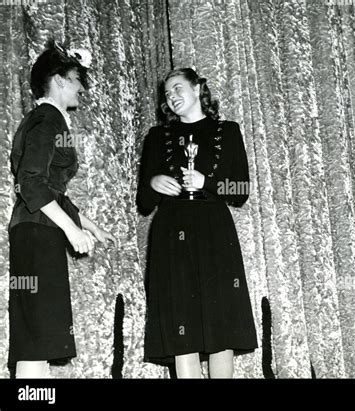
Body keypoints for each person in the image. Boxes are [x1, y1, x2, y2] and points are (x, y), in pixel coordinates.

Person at [137, 68, 258, 378]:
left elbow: (241, 192)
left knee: (221, 328)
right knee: (182, 330)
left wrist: (209, 182)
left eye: (178, 88)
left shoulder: (228, 131)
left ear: (198, 88)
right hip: (171, 234)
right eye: (167, 93)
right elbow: (143, 202)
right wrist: (154, 182)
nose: (172, 97)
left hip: (214, 232)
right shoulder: (156, 136)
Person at [8, 39, 117, 378]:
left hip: (38, 228)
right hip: (38, 231)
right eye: (76, 78)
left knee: (38, 335)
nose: (82, 86)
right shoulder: (48, 119)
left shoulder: (46, 120)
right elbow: (31, 183)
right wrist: (72, 229)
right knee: (35, 336)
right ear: (58, 79)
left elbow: (52, 189)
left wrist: (90, 225)